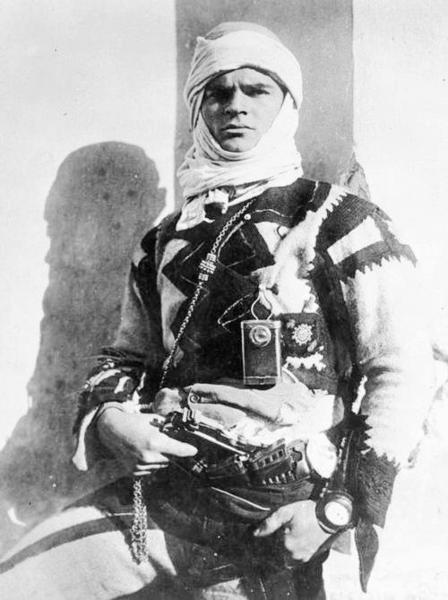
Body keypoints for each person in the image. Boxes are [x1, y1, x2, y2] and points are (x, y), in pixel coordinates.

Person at [0, 21, 433, 600]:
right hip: (166, 497)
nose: (236, 105)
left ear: (286, 103)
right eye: (218, 91)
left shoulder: (339, 221)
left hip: (272, 514)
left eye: (257, 90)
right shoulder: (164, 240)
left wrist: (337, 511)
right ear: (198, 108)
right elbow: (126, 355)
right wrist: (109, 419)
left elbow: (406, 371)